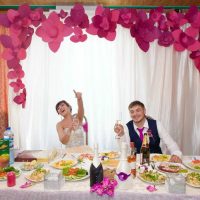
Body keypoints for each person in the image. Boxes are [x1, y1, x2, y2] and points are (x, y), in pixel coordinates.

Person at [114, 100, 182, 163]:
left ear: (144, 111)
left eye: (138, 110)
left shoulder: (156, 124)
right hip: (136, 164)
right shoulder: (127, 127)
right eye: (132, 112)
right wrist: (121, 134)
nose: (135, 114)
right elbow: (126, 152)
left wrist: (176, 154)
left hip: (157, 163)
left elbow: (171, 144)